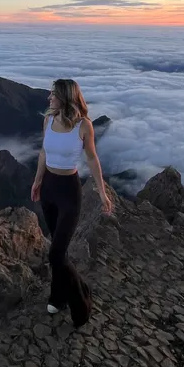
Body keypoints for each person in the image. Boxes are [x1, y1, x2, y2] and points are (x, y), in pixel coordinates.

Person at [31, 78, 113, 328]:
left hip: (69, 191)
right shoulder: (48, 120)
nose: (49, 98)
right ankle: (57, 296)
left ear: (65, 97)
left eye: (53, 94)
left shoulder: (83, 126)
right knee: (59, 250)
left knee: (55, 252)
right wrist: (37, 182)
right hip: (49, 189)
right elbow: (44, 152)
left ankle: (81, 299)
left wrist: (102, 192)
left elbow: (92, 160)